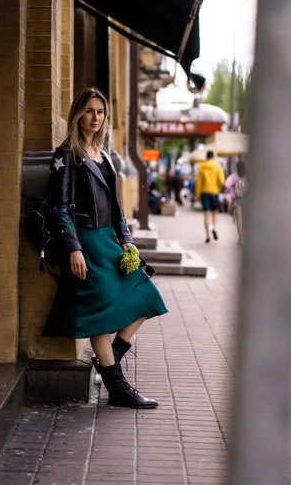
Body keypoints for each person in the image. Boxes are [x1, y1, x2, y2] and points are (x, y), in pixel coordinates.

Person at [43, 88, 168, 409]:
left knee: (145, 298)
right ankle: (117, 387)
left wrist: (126, 238)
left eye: (100, 112)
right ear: (78, 114)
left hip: (109, 241)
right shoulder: (66, 154)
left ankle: (107, 361)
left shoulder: (106, 155)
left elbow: (117, 207)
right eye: (89, 111)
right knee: (99, 315)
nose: (95, 118)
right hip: (85, 243)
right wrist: (73, 248)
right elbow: (60, 207)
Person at [195, 150, 226, 243]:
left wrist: (197, 194)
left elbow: (199, 182)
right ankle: (214, 228)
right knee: (215, 213)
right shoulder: (218, 166)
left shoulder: (202, 167)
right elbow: (221, 180)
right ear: (213, 157)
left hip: (204, 192)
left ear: (206, 157)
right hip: (214, 192)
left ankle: (208, 235)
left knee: (206, 214)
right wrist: (222, 188)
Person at [225, 161, 247, 244]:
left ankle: (241, 238)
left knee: (239, 219)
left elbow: (227, 184)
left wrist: (232, 191)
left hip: (238, 199)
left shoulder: (234, 176)